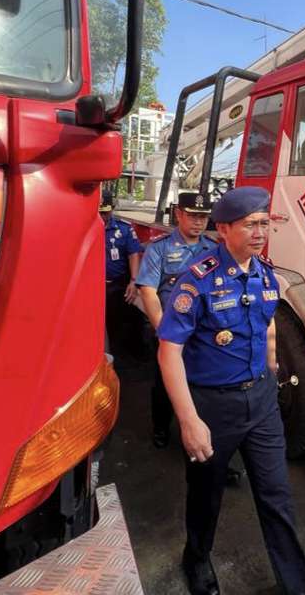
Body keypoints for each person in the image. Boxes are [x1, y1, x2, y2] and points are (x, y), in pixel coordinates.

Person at [157, 187, 305, 595]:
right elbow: (169, 351)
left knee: (277, 496)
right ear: (223, 229)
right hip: (214, 406)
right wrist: (189, 421)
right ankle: (196, 560)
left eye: (264, 223)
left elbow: (268, 323)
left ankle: (298, 585)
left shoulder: (265, 273)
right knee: (206, 497)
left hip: (261, 403)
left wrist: (273, 365)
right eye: (250, 224)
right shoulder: (197, 282)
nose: (260, 232)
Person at [136, 192, 218, 448]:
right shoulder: (159, 248)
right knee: (164, 383)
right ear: (179, 214)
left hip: (202, 330)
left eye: (203, 217)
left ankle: (201, 433)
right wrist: (163, 330)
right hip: (169, 326)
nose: (198, 222)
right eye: (193, 216)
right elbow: (148, 290)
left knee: (203, 385)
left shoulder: (213, 250)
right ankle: (161, 428)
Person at [101, 190, 142, 356]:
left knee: (119, 322)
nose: (102, 217)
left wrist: (134, 280)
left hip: (117, 285)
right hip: (90, 286)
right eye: (99, 212)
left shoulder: (124, 229)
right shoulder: (81, 226)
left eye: (105, 212)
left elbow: (133, 253)